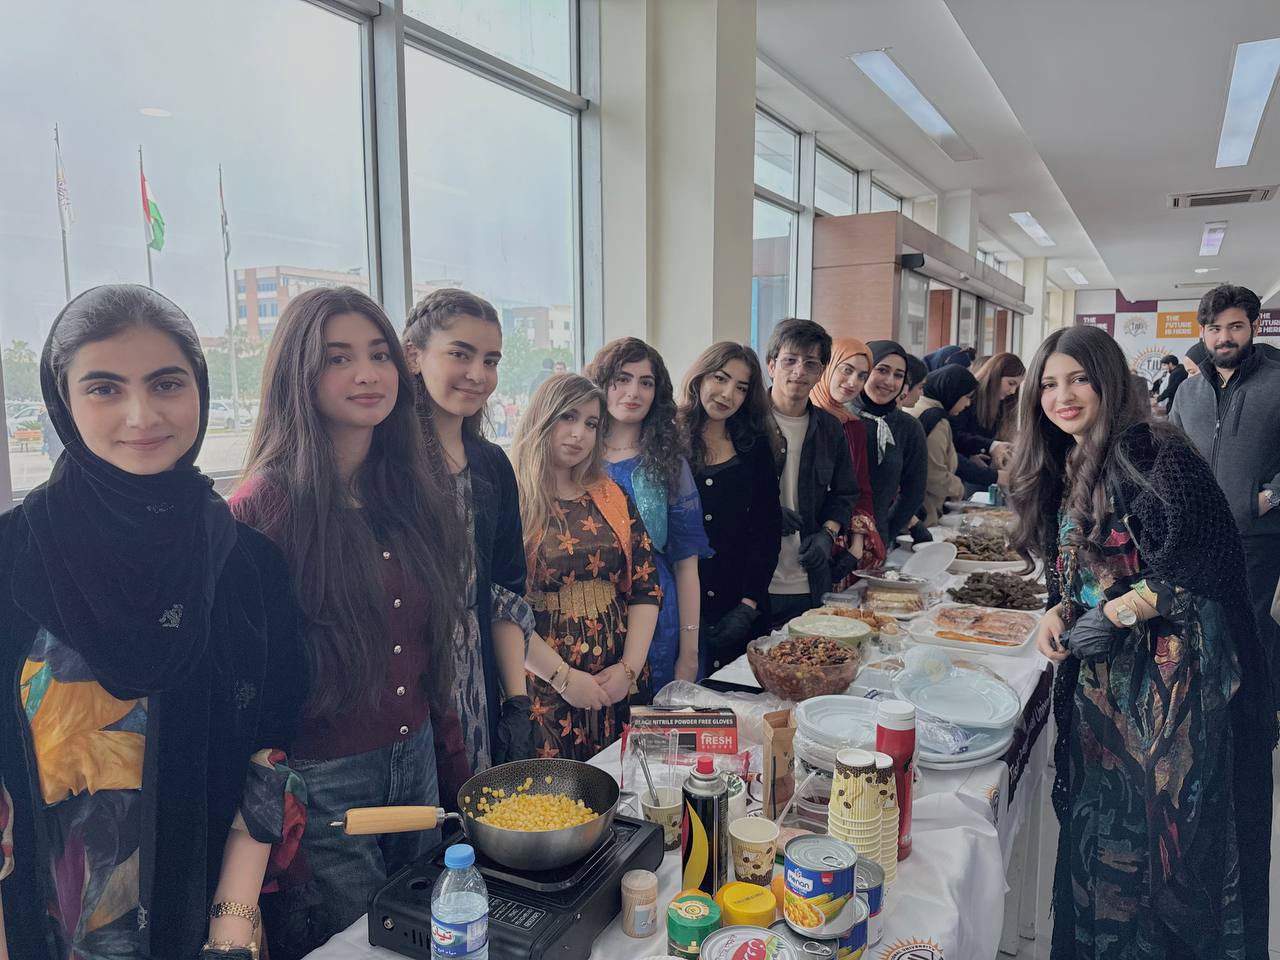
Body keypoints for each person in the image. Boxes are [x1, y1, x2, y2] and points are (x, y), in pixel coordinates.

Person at [0, 285, 306, 960]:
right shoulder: (13, 557)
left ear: (198, 387)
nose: (141, 415)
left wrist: (230, 924)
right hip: (41, 927)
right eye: (104, 388)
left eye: (166, 383)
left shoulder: (245, 563)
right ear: (63, 400)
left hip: (205, 921)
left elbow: (269, 753)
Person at [1008, 323, 1276, 959]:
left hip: (1174, 699)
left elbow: (1201, 563)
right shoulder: (1069, 457)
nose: (1063, 396)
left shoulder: (1154, 449)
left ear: (1107, 381)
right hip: (1104, 696)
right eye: (1049, 384)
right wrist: (1057, 609)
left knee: (1169, 853)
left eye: (1078, 379)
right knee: (1105, 846)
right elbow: (1077, 568)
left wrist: (1120, 613)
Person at [230, 286, 469, 959]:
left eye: (378, 355)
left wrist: (452, 762)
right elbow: (245, 692)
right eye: (338, 358)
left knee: (428, 934)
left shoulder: (409, 491)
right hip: (322, 783)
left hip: (416, 762)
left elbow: (427, 651)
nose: (367, 374)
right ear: (298, 375)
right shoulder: (261, 510)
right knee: (359, 945)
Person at [403, 288, 546, 770]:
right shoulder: (388, 464)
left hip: (479, 681)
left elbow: (504, 592)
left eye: (491, 360)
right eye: (460, 354)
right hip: (407, 688)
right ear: (414, 356)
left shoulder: (491, 464)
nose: (478, 374)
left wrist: (516, 702)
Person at [512, 374, 660, 759]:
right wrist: (563, 678)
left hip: (618, 672)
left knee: (624, 779)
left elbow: (646, 587)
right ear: (542, 417)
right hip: (543, 681)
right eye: (568, 417)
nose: (579, 433)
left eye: (591, 423)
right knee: (556, 788)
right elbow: (502, 610)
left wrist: (629, 669)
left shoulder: (611, 494)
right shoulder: (512, 497)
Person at [1170, 284, 1280, 712]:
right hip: (1195, 540)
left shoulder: (1276, 384)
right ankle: (1204, 724)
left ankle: (1250, 723)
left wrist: (1266, 499)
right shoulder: (1188, 393)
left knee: (1247, 635)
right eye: (1214, 328)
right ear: (1202, 332)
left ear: (1254, 327)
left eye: (1235, 327)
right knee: (1197, 633)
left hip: (1255, 540)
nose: (1224, 338)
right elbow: (1171, 457)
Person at [587, 338, 711, 691]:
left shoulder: (668, 464)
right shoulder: (577, 455)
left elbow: (686, 566)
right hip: (588, 614)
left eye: (646, 382)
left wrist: (689, 652)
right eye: (622, 379)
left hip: (659, 615)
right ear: (601, 384)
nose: (633, 392)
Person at [677, 343, 782, 672]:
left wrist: (748, 604)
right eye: (720, 379)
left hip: (740, 601)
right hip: (679, 603)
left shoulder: (755, 446)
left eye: (741, 387)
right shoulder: (668, 439)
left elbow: (767, 531)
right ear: (700, 377)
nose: (727, 394)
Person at [764, 319, 858, 627]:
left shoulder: (830, 428)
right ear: (771, 365)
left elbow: (845, 492)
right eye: (790, 361)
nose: (799, 371)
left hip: (809, 581)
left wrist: (827, 535)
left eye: (810, 364)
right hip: (752, 584)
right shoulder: (745, 424)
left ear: (820, 373)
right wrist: (764, 513)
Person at [809, 336, 885, 584]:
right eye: (846, 370)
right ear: (827, 367)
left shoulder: (854, 426)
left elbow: (860, 488)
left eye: (862, 376)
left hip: (839, 542)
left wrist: (855, 548)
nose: (853, 382)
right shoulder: (802, 417)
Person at [850, 341, 927, 542]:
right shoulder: (838, 417)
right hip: (828, 539)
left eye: (898, 375)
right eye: (882, 370)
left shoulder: (908, 427)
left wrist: (884, 533)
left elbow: (913, 493)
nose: (889, 381)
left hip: (877, 540)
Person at [908, 365, 980, 526]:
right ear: (952, 391)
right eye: (967, 397)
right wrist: (957, 488)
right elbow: (933, 473)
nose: (968, 404)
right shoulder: (935, 420)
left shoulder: (919, 407)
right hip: (921, 515)